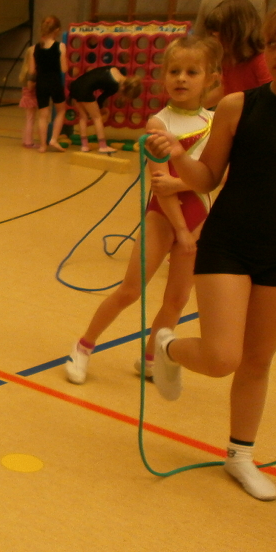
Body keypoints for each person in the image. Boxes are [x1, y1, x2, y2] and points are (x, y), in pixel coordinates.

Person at [147, 0, 276, 503]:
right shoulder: (238, 105)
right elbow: (207, 177)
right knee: (220, 357)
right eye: (273, 43)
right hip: (229, 244)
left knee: (257, 360)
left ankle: (240, 455)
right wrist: (176, 155)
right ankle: (167, 346)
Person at [65, 36, 220, 385]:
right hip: (164, 217)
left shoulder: (214, 121)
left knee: (177, 299)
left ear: (210, 79)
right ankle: (83, 346)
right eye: (174, 71)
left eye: (191, 72)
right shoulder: (158, 124)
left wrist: (186, 189)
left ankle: (151, 359)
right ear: (163, 77)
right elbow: (161, 184)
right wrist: (181, 227)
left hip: (200, 216)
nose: (181, 78)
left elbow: (217, 176)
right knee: (131, 291)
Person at [203, 0, 270, 105]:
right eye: (213, 35)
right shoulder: (229, 58)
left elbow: (269, 99)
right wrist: (192, 107)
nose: (216, 40)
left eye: (220, 34)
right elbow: (224, 89)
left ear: (239, 33)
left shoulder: (262, 61)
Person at [69, 64, 143, 153]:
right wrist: (103, 111)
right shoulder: (115, 86)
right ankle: (102, 146)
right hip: (85, 90)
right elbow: (101, 99)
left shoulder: (115, 69)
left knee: (83, 117)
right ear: (124, 89)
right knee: (97, 118)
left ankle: (84, 146)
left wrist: (100, 108)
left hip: (75, 85)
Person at [32, 16, 68, 152]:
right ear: (57, 30)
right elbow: (64, 68)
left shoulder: (36, 47)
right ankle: (53, 139)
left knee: (42, 116)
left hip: (40, 83)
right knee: (61, 110)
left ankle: (42, 145)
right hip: (54, 81)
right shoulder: (60, 46)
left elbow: (34, 69)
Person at [19, 45, 38, 147]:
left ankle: (26, 140)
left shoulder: (25, 70)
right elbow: (30, 86)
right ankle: (28, 142)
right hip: (30, 97)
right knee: (30, 120)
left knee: (28, 119)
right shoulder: (31, 72)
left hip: (27, 97)